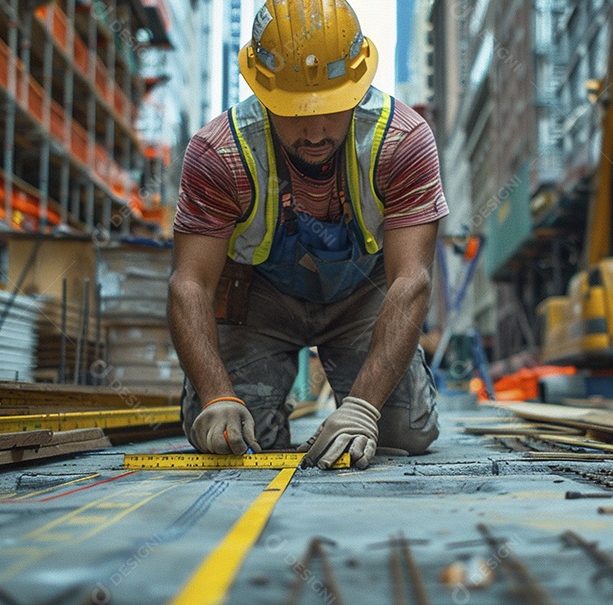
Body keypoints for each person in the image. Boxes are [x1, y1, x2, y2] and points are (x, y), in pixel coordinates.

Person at [168, 0, 446, 470]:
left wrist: (363, 408)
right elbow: (189, 284)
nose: (315, 131)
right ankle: (250, 409)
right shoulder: (219, 153)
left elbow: (411, 280)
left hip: (361, 297)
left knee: (403, 432)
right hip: (260, 299)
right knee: (230, 435)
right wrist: (216, 396)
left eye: (332, 109)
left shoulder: (401, 142)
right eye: (293, 111)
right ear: (261, 90)